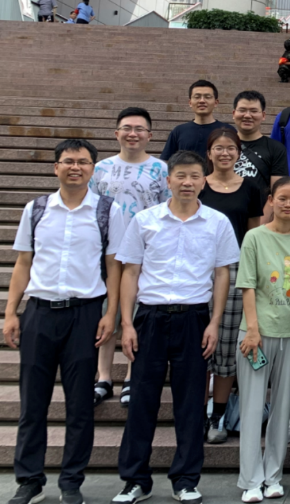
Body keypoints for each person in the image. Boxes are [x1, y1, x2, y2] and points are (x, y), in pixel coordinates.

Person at [113, 150, 239, 504]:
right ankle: (135, 480)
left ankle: (185, 479)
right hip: (150, 318)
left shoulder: (217, 222)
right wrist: (127, 323)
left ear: (204, 181)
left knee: (190, 404)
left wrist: (214, 322)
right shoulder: (145, 220)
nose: (187, 182)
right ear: (168, 180)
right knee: (142, 401)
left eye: (195, 176)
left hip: (195, 319)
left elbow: (222, 274)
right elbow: (130, 272)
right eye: (180, 176)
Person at [5, 139, 123, 504]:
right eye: (68, 161)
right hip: (39, 313)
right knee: (32, 404)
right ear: (56, 167)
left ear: (93, 169)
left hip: (84, 314)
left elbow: (114, 267)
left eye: (83, 162)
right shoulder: (37, 209)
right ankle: (29, 480)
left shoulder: (108, 210)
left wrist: (110, 313)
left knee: (80, 405)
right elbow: (23, 263)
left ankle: (71, 482)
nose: (76, 167)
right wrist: (11, 312)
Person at [234, 177, 290, 503]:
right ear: (270, 200)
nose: (287, 204)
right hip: (257, 333)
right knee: (253, 407)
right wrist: (252, 329)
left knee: (283, 409)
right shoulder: (254, 236)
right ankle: (251, 480)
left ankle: (273, 476)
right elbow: (248, 285)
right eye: (282, 198)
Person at [89, 108, 168, 409]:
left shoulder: (161, 169)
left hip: (145, 253)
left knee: (138, 314)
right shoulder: (100, 169)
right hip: (106, 251)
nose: (132, 133)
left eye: (139, 129)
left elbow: (167, 211)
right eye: (127, 128)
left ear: (150, 135)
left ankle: (133, 376)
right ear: (116, 133)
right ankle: (103, 376)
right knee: (107, 311)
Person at [197, 128, 263, 444]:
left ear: (239, 153)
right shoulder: (198, 185)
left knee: (225, 347)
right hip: (199, 269)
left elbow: (252, 236)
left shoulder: (251, 188)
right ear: (209, 153)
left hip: (236, 271)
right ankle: (196, 414)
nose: (225, 153)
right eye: (218, 148)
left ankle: (218, 415)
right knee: (198, 344)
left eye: (231, 148)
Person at [231, 91, 289, 224]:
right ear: (234, 114)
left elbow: (278, 191)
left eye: (253, 111)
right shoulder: (222, 146)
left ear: (263, 115)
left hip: (260, 220)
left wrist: (259, 225)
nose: (247, 115)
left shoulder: (276, 148)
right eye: (242, 110)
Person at [161, 80, 234, 161]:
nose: (202, 101)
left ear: (216, 102)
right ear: (190, 102)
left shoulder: (228, 130)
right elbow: (165, 161)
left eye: (207, 97)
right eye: (197, 97)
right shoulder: (179, 131)